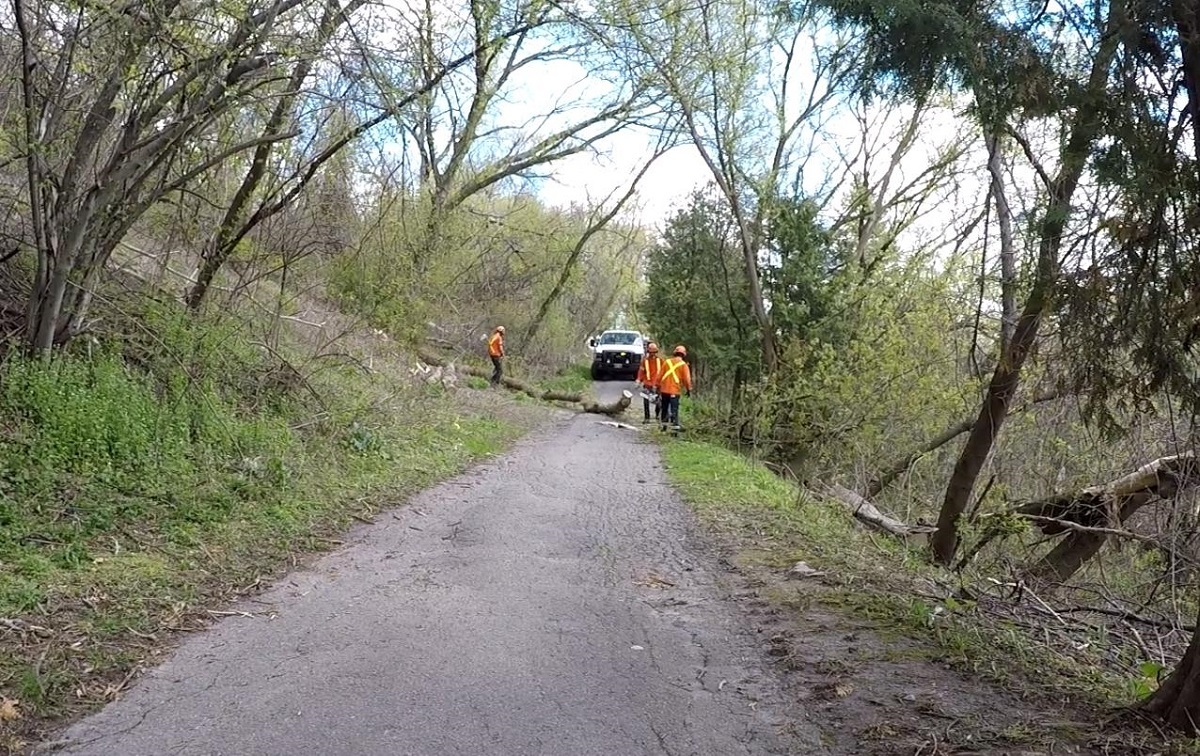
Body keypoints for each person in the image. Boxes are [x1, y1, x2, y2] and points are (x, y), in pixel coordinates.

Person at [657, 345, 692, 433]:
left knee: (664, 408)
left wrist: (657, 386)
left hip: (664, 390)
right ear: (683, 354)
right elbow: (687, 380)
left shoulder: (667, 362)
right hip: (675, 391)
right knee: (674, 409)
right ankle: (674, 429)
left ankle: (663, 427)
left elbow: (660, 375)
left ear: (674, 353)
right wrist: (688, 389)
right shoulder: (683, 365)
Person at [636, 341, 665, 424]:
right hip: (647, 384)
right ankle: (647, 418)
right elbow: (641, 372)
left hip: (658, 385)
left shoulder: (661, 361)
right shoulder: (644, 361)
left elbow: (664, 372)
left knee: (658, 402)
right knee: (646, 402)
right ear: (648, 352)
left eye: (654, 352)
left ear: (656, 352)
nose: (652, 354)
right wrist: (638, 380)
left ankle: (657, 415)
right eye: (651, 352)